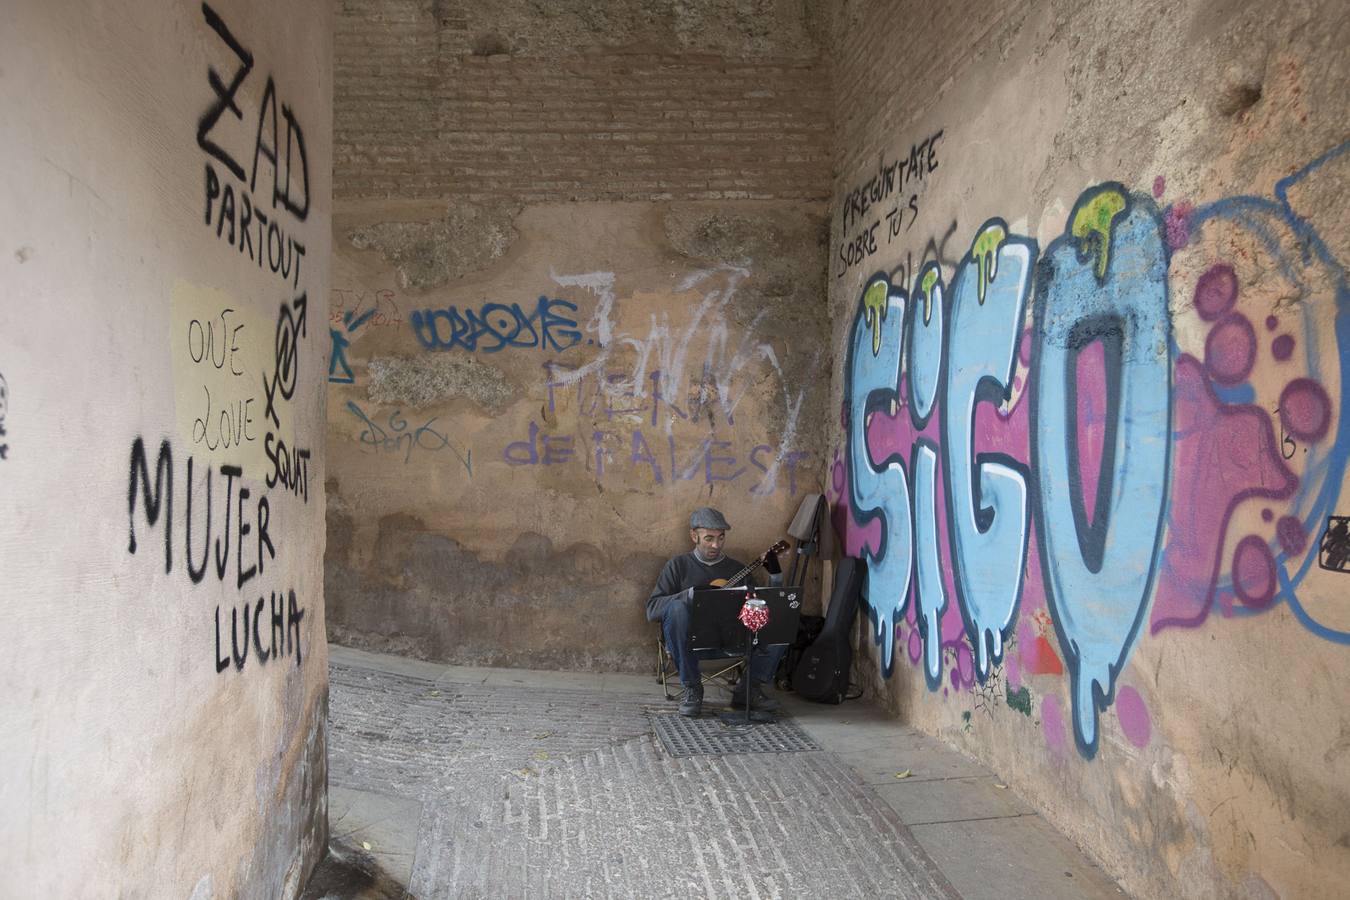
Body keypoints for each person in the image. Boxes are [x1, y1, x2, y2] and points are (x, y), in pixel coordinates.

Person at [647, 507, 787, 716]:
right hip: (689, 645)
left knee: (781, 617)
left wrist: (775, 575)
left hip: (731, 640)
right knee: (676, 608)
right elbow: (652, 610)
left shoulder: (736, 569)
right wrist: (688, 596)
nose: (716, 545)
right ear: (694, 536)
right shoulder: (678, 566)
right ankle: (693, 687)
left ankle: (748, 691)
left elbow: (765, 607)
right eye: (708, 538)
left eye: (721, 538)